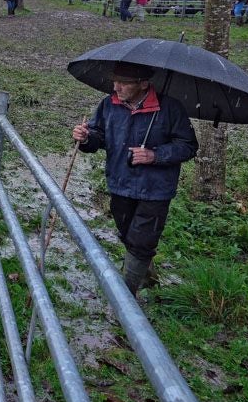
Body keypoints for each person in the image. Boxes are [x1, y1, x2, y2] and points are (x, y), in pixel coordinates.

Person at [73, 62, 198, 294]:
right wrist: (86, 137)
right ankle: (146, 272)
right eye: (115, 81)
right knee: (128, 235)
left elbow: (188, 146)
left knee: (141, 242)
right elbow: (98, 135)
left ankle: (125, 299)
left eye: (123, 83)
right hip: (120, 183)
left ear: (143, 84)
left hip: (155, 190)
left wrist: (155, 155)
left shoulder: (170, 109)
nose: (116, 87)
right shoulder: (108, 105)